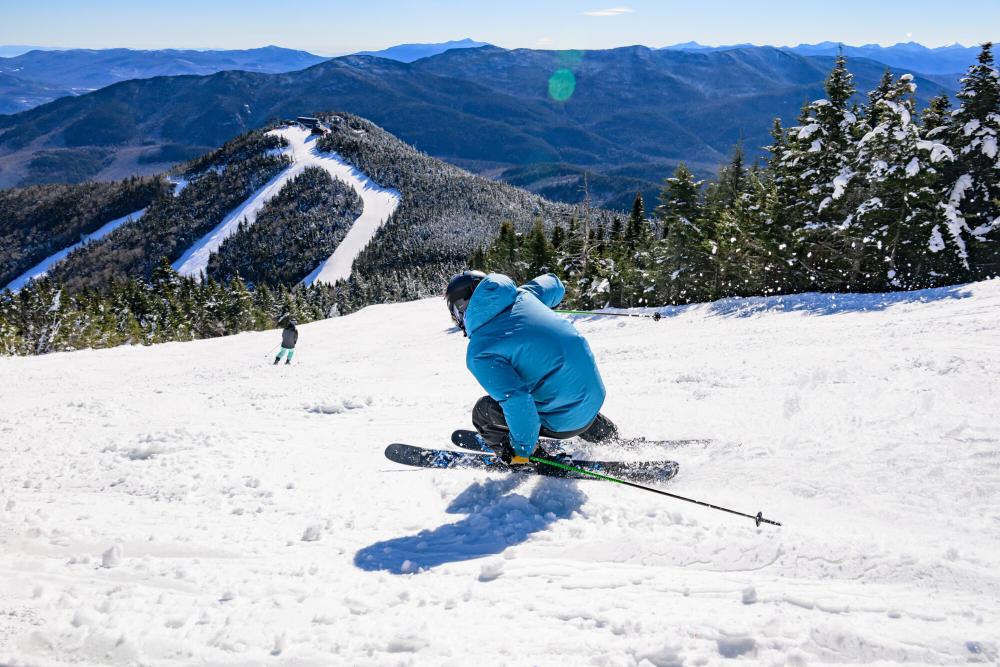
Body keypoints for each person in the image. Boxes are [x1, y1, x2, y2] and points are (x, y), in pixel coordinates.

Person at [445, 270, 618, 466]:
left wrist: (522, 450)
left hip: (563, 423)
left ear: (461, 309)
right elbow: (554, 283)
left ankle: (528, 458)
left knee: (484, 411)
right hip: (593, 400)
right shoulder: (524, 295)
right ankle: (607, 435)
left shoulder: (480, 351)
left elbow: (517, 399)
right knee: (555, 379)